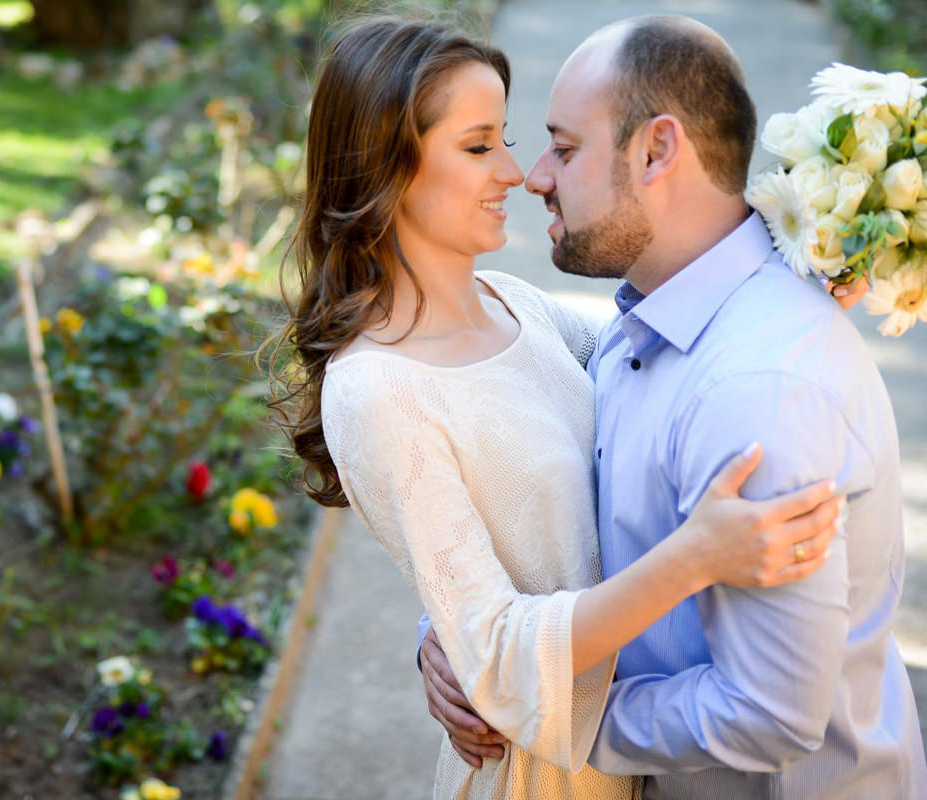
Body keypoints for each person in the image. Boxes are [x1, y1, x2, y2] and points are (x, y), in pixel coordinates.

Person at [267, 15, 846, 800]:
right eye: (478, 147)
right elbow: (498, 648)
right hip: (548, 776)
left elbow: (678, 335)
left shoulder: (513, 304)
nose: (516, 171)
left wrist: (799, 263)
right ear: (385, 168)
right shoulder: (377, 387)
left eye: (506, 137)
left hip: (643, 735)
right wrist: (700, 556)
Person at [419, 14, 927, 799]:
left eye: (565, 146)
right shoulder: (644, 320)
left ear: (657, 149)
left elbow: (767, 713)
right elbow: (527, 471)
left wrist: (542, 709)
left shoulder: (755, 396)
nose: (536, 176)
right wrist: (456, 640)